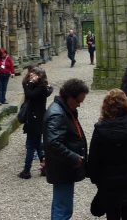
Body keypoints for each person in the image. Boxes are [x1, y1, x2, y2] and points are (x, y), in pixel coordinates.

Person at [87, 89, 127, 220]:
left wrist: (94, 177)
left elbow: (94, 156)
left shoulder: (100, 128)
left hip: (108, 178)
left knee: (112, 214)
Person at [44, 78, 90, 220]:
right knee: (63, 209)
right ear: (69, 97)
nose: (79, 105)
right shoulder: (58, 114)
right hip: (63, 167)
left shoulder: (64, 109)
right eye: (78, 102)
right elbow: (53, 143)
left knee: (60, 206)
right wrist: (74, 157)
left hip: (63, 167)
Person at [19, 67, 53, 179]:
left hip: (36, 120)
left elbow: (28, 95)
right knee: (38, 144)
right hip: (35, 118)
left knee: (30, 145)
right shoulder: (39, 87)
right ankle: (45, 168)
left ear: (39, 77)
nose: (31, 76)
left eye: (34, 75)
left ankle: (26, 170)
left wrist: (31, 82)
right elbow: (27, 89)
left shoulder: (41, 88)